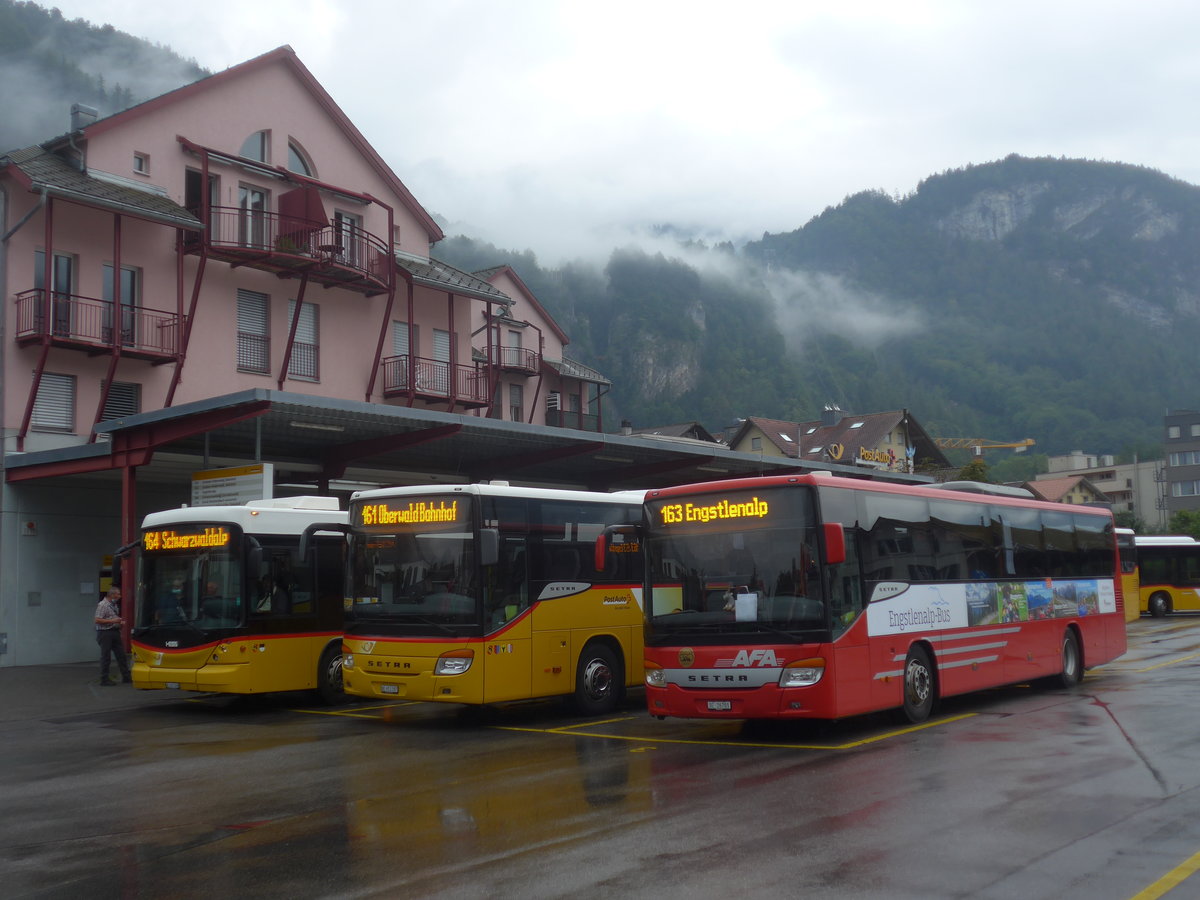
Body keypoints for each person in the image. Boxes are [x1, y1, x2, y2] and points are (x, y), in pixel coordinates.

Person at [94, 586, 131, 685]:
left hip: (114, 631)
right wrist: (113, 621)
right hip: (105, 633)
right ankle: (104, 679)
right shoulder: (103, 605)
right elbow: (97, 620)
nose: (120, 596)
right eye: (118, 594)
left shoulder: (113, 605)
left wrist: (119, 623)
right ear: (112, 595)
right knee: (106, 656)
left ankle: (126, 677)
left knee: (121, 655)